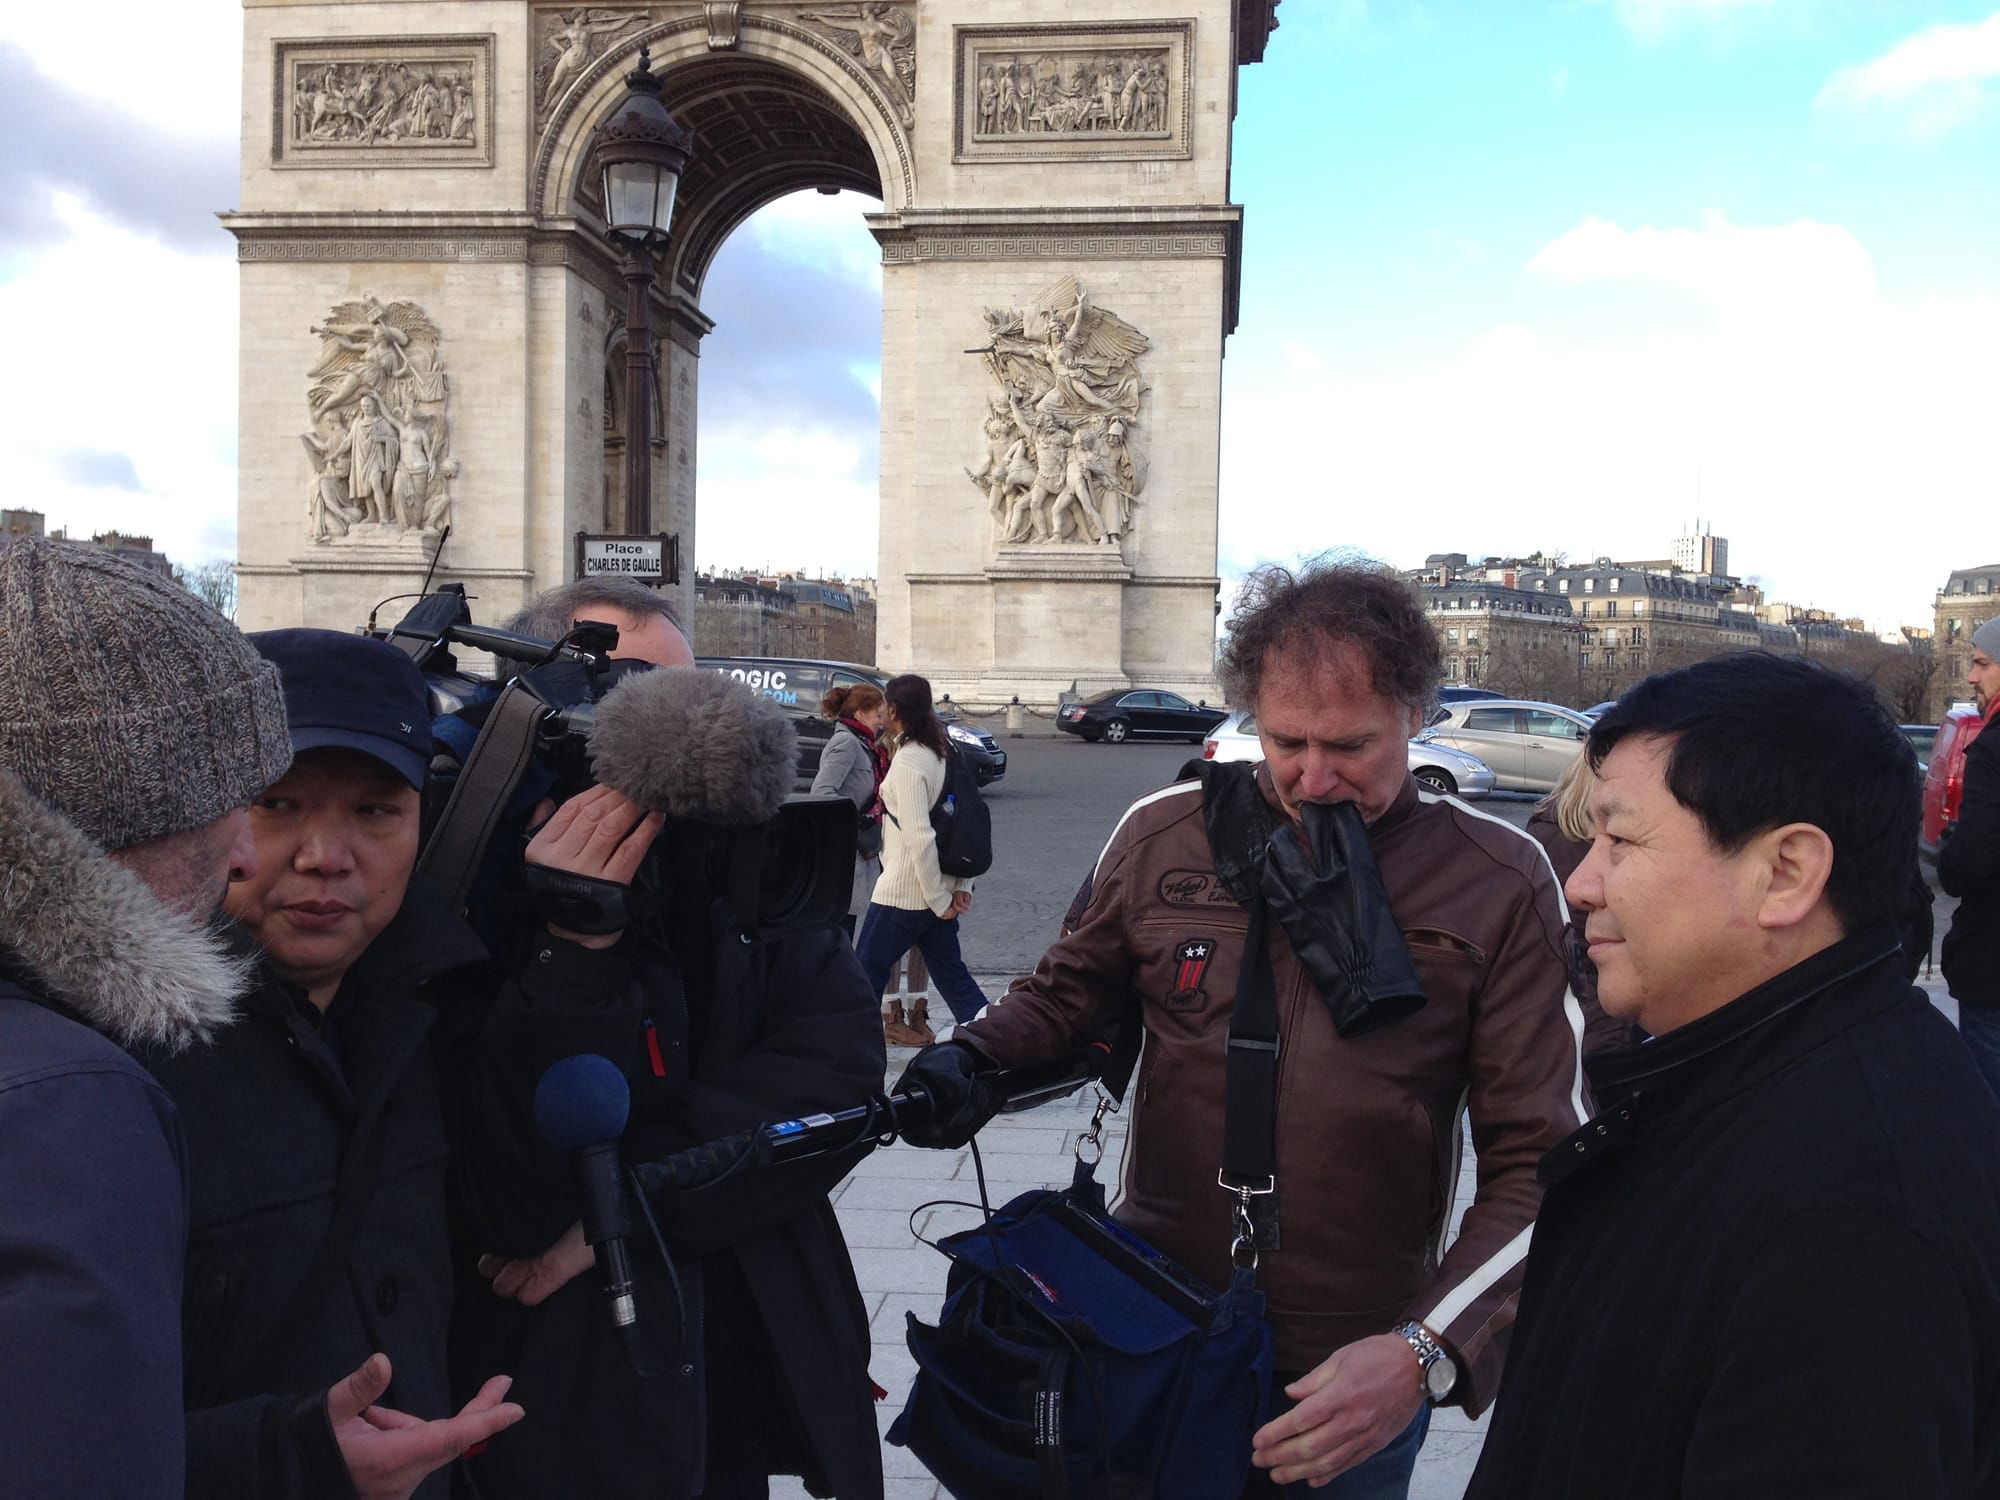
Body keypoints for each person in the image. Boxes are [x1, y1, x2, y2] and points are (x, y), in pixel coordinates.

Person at [900, 560, 1587, 1497]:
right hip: (1148, 1320)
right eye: (1284, 740)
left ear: (1418, 715)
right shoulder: (1162, 833)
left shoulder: (1501, 878)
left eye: (1349, 746)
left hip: (1352, 1358)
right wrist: (970, 1059)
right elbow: (1066, 998)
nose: (1311, 778)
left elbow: (1543, 1162)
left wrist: (1426, 1349)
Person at [1464, 652, 2000, 1499]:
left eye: (1620, 838)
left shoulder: (1854, 1218)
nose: (1581, 880)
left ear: (1785, 872)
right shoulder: (1751, 1085)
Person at [445, 579, 887, 1500]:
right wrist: (573, 951)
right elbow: (502, 1188)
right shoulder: (458, 880)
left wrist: (628, 1207)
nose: (679, 732)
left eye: (692, 702)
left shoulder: (754, 861)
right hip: (545, 1385)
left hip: (725, 1354)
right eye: (633, 698)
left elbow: (838, 1077)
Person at [139, 629, 524, 1500]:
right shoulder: (108, 1058)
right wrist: (284, 1459)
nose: (325, 855)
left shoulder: (458, 1012)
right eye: (277, 803)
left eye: (374, 811)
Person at [0, 536, 294, 1498]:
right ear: (121, 814)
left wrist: (276, 1455)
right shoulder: (65, 1106)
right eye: (232, 801)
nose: (251, 852)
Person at [853, 674, 991, 1032]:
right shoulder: (942, 751)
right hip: (936, 889)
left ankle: (852, 1053)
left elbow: (920, 836)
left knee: (864, 972)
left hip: (906, 891)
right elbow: (964, 821)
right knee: (954, 980)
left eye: (885, 704)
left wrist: (938, 899)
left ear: (895, 709)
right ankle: (997, 1043)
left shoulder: (910, 761)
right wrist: (961, 884)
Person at [1939, 618, 2000, 1101]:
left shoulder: (1993, 749)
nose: (1972, 678)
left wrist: (1952, 847)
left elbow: (1968, 866)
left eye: (1981, 663)